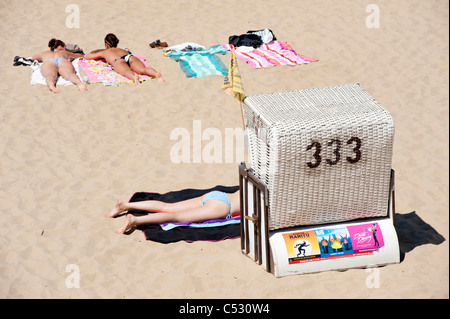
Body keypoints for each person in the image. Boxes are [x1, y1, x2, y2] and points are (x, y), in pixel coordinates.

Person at [107, 190, 240, 234]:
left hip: (218, 195)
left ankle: (125, 205)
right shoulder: (260, 196)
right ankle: (135, 220)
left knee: (167, 207)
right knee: (176, 217)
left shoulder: (253, 181)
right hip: (222, 207)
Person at [84, 33, 164, 84]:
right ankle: (156, 74)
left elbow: (87, 57)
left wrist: (100, 51)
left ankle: (134, 77)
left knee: (126, 71)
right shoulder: (122, 50)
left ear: (106, 45)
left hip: (118, 60)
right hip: (129, 57)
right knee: (143, 69)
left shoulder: (105, 52)